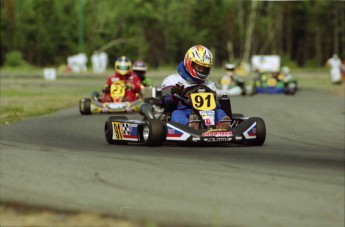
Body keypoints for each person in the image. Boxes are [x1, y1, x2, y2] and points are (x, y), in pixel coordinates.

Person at [161, 45, 231, 129]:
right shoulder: (172, 80)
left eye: (205, 68)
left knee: (220, 111)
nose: (202, 70)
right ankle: (190, 126)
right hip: (184, 112)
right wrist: (174, 97)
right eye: (199, 67)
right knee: (176, 114)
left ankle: (222, 125)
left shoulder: (209, 84)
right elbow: (165, 104)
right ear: (189, 63)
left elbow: (217, 106)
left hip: (207, 115)